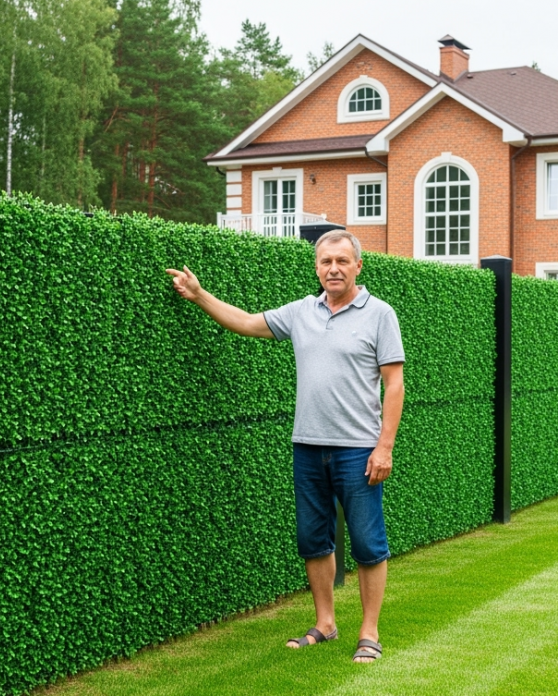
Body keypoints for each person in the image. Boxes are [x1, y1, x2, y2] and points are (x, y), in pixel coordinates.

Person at [166, 230, 404, 664]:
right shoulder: (301, 312)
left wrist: (383, 446)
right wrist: (200, 296)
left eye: (342, 261)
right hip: (307, 447)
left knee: (369, 542)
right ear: (317, 267)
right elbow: (246, 321)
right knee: (313, 540)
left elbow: (394, 383)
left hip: (358, 450)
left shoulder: (380, 314)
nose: (333, 268)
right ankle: (326, 624)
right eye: (325, 261)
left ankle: (369, 633)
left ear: (358, 266)